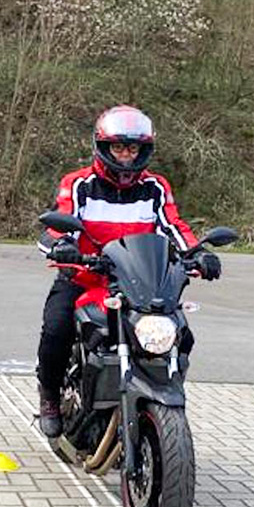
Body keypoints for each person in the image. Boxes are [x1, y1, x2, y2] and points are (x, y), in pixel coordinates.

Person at [35, 105, 221, 437]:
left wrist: (198, 254)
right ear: (103, 147)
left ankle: (160, 399)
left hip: (140, 285)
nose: (125, 156)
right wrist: (61, 245)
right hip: (86, 278)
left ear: (143, 150)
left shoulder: (156, 187)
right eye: (119, 147)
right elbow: (58, 225)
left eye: (132, 148)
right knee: (56, 329)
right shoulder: (78, 184)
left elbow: (172, 226)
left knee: (181, 336)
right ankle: (49, 396)